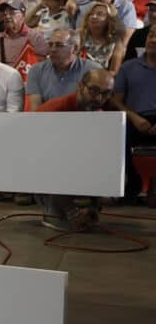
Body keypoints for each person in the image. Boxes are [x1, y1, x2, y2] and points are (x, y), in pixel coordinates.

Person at [33, 69, 117, 229]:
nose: (99, 98)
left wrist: (96, 203)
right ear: (80, 86)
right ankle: (60, 210)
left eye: (106, 94)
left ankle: (81, 208)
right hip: (43, 170)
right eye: (94, 91)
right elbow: (40, 161)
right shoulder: (53, 111)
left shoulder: (98, 114)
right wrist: (71, 211)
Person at [111, 30, 156, 206]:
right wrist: (134, 118)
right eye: (151, 35)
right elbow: (116, 100)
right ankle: (132, 186)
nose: (153, 40)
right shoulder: (128, 67)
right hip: (135, 118)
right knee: (117, 137)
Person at [26, 29, 100, 107]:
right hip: (48, 118)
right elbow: (36, 109)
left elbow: (95, 107)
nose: (53, 49)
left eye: (59, 45)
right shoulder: (36, 70)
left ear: (75, 48)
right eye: (50, 45)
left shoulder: (93, 70)